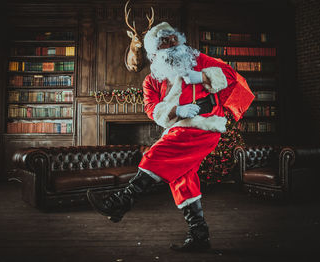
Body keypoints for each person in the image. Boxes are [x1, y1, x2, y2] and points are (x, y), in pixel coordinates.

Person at [87, 22, 254, 252]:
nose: (171, 42)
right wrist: (177, 111)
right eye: (164, 40)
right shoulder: (151, 81)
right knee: (183, 180)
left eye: (173, 37)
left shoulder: (199, 60)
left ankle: (120, 202)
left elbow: (230, 75)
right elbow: (151, 109)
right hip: (179, 126)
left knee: (155, 154)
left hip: (205, 125)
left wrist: (201, 77)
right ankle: (199, 235)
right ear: (155, 51)